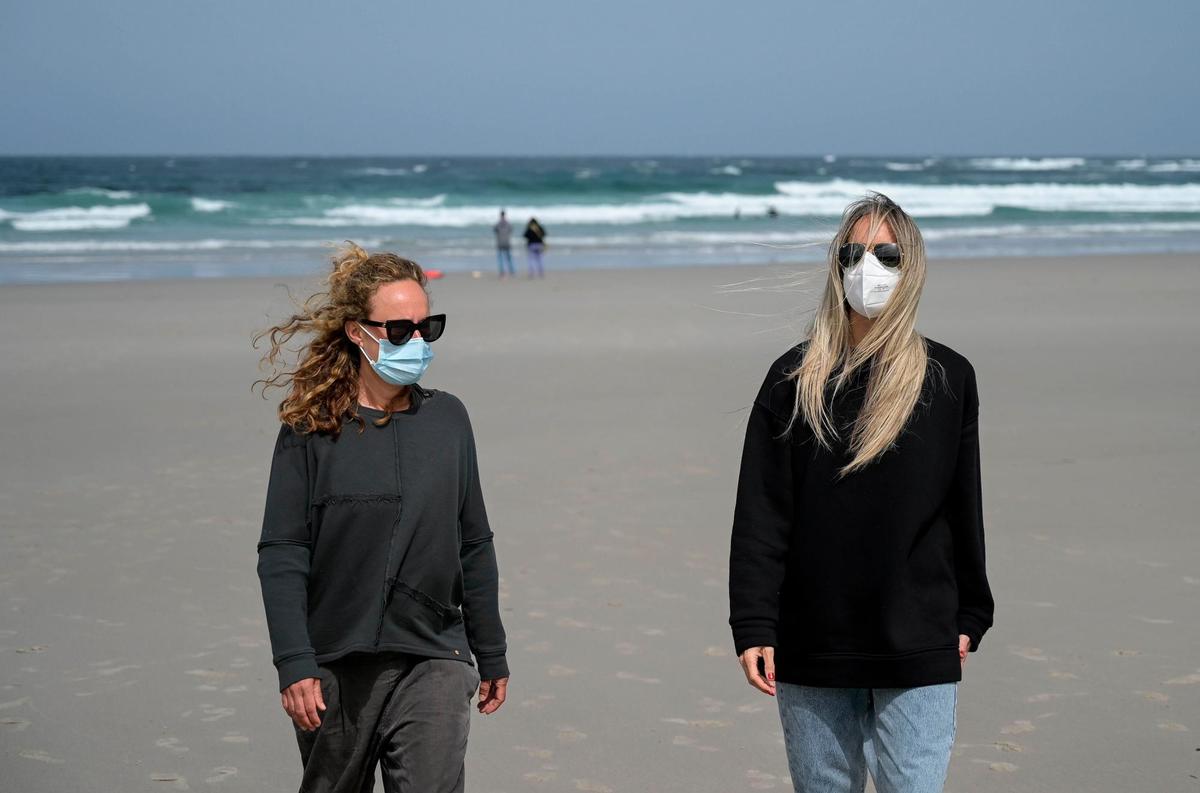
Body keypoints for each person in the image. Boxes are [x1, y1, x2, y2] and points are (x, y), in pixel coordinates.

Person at [728, 193, 994, 793]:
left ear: (912, 266)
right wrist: (753, 623)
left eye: (885, 254)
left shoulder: (949, 378)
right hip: (813, 639)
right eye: (852, 252)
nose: (865, 267)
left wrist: (973, 614)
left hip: (919, 637)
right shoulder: (793, 379)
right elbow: (762, 513)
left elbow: (963, 507)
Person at [254, 243, 509, 793]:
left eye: (427, 327)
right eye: (399, 330)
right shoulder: (310, 428)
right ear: (357, 331)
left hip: (435, 653)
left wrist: (491, 652)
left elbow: (474, 542)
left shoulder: (448, 418)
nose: (415, 341)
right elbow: (282, 551)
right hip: (335, 660)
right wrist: (295, 662)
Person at [493, 209, 515, 278]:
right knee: (509, 258)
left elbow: (495, 230)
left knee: (501, 259)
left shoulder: (498, 224)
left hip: (500, 243)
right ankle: (512, 271)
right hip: (507, 243)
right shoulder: (508, 224)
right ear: (505, 215)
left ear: (500, 215)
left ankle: (502, 272)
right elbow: (511, 230)